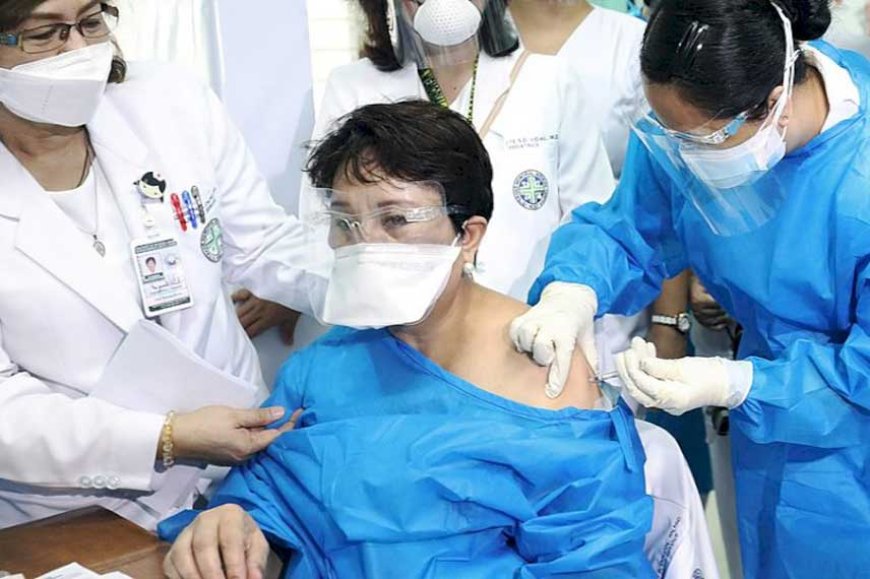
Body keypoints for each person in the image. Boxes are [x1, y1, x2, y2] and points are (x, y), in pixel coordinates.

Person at [159, 100, 658, 579]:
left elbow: (592, 560)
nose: (365, 243)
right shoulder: (322, 368)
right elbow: (267, 509)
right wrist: (231, 528)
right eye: (344, 222)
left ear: (469, 235)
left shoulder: (545, 374)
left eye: (395, 219)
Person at [510, 1, 870, 577]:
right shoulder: (692, 125)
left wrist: (739, 382)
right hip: (772, 421)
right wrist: (570, 292)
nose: (683, 155)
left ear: (774, 103)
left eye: (699, 139)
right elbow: (629, 229)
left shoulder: (858, 178)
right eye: (669, 134)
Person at [0, 0, 324, 530]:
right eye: (46, 34)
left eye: (90, 22)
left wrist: (372, 277)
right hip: (78, 510)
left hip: (244, 474)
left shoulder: (167, 101)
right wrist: (167, 436)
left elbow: (260, 244)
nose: (81, 51)